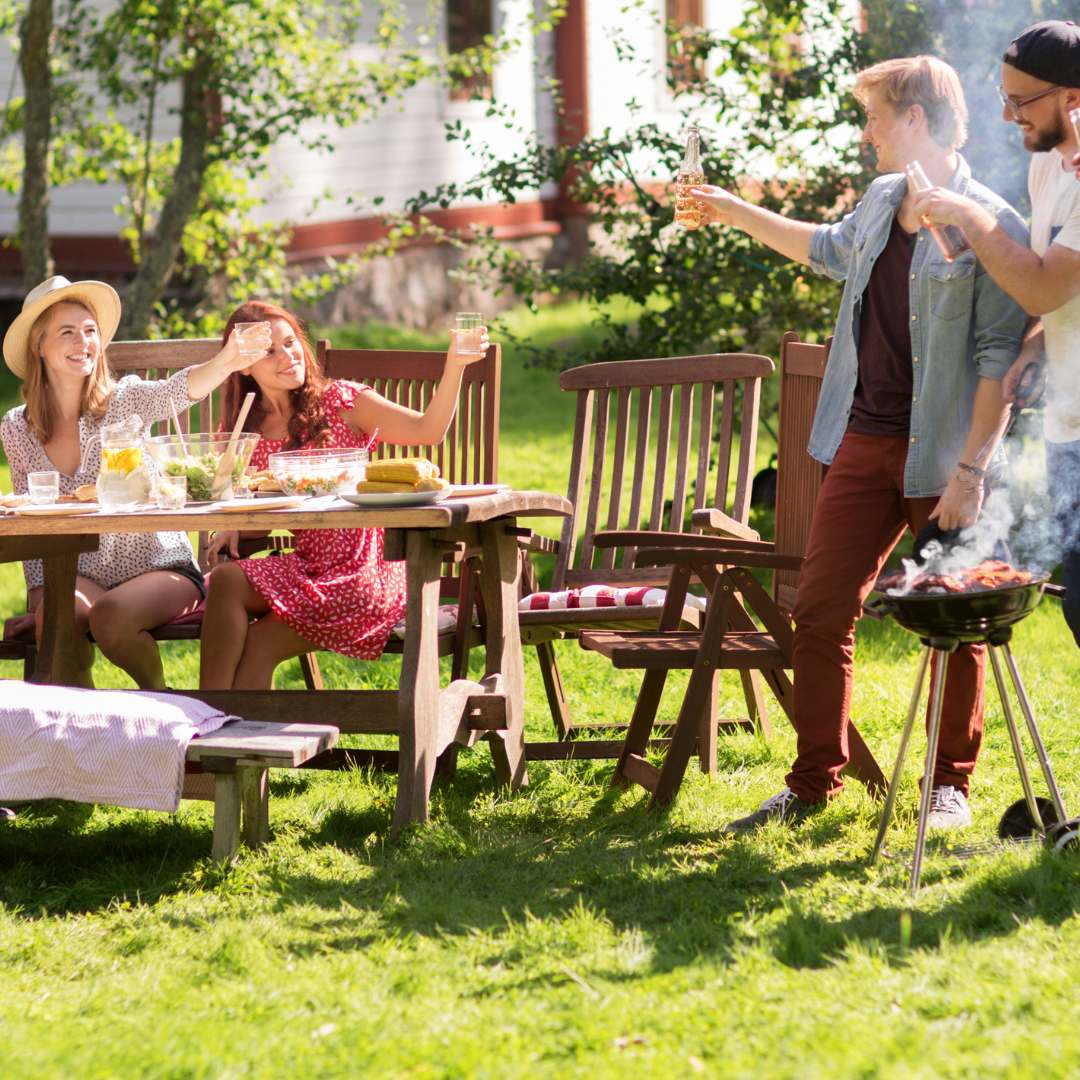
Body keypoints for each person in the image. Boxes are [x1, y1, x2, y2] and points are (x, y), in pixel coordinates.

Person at [690, 57, 1029, 833]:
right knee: (818, 612)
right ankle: (813, 784)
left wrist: (971, 472)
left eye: (875, 116)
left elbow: (999, 362)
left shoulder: (991, 223)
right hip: (864, 439)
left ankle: (948, 787)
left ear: (914, 118)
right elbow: (827, 249)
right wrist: (730, 209)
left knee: (954, 617)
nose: (867, 132)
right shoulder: (882, 198)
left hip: (944, 456)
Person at [198, 301, 487, 690]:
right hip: (307, 568)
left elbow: (427, 431)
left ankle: (221, 720)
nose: (287, 356)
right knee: (225, 580)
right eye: (269, 352)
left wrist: (455, 366)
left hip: (365, 573)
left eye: (290, 342)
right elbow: (260, 513)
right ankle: (206, 714)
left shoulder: (342, 401)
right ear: (243, 364)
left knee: (260, 644)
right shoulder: (244, 428)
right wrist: (237, 524)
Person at [0, 275, 269, 689]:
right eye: (67, 332)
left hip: (158, 566)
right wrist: (42, 593)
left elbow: (177, 391)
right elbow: (30, 519)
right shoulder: (16, 426)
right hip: (73, 571)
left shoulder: (125, 399)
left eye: (90, 331)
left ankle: (163, 704)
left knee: (110, 617)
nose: (83, 342)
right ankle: (82, 721)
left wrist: (228, 360)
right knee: (57, 619)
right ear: (39, 346)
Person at [911, 20, 1080, 646]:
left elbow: (1038, 285)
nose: (1008, 115)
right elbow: (1060, 283)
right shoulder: (1050, 166)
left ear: (1072, 97)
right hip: (1067, 423)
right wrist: (1037, 344)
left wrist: (970, 215)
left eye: (1022, 100)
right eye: (1002, 97)